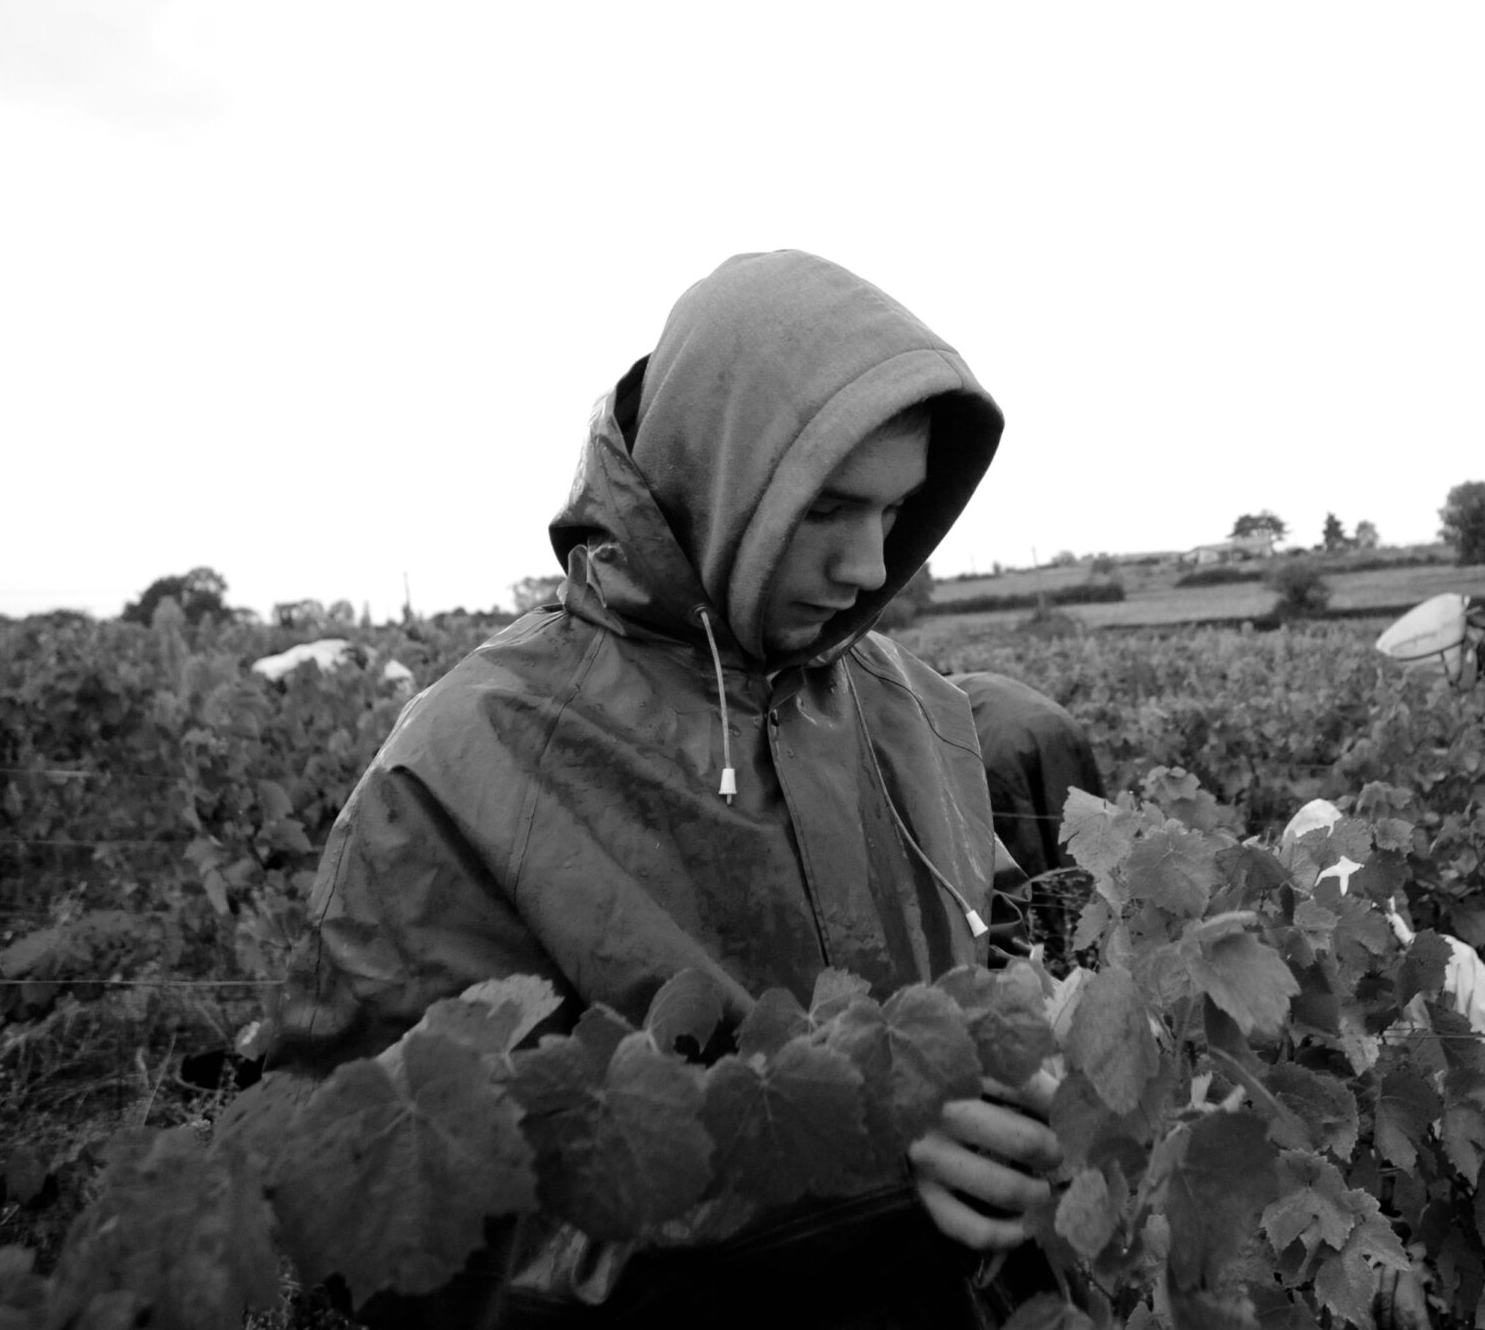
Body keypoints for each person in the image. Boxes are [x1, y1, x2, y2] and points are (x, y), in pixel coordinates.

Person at [274, 251, 1060, 1328]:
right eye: (828, 508)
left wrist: (1038, 1072)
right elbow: (401, 1215)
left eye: (893, 511)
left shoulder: (910, 704)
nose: (870, 566)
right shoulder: (466, 755)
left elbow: (997, 953)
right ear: (718, 475)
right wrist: (837, 1181)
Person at [1279, 800, 1485, 1141]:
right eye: (1325, 934)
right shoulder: (1278, 999)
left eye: (1358, 921)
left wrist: (1455, 1130)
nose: (1345, 953)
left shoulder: (1451, 970)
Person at [948, 671, 1106, 878]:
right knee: (1071, 811)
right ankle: (1086, 887)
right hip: (1062, 724)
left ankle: (1040, 892)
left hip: (1003, 743)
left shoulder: (921, 694)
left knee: (1021, 836)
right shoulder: (968, 681)